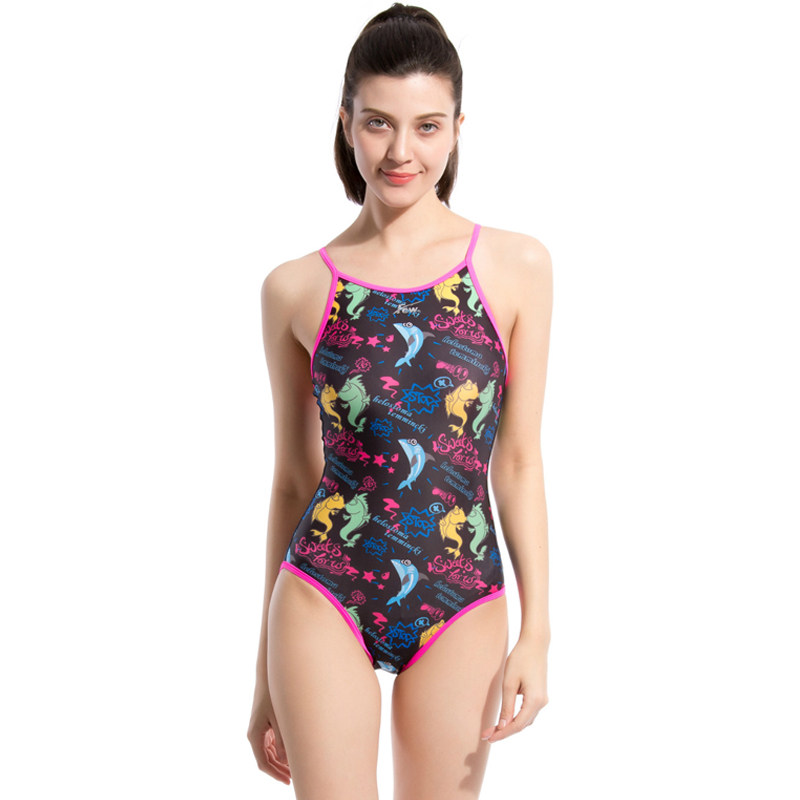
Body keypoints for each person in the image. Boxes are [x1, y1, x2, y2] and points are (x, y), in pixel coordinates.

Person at [247, 4, 552, 798]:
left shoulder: (516, 267)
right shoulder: (295, 288)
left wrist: (539, 631)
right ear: (346, 123)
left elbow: (519, 461)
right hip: (323, 590)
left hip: (462, 593)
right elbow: (292, 479)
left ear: (457, 130)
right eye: (378, 123)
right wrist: (262, 676)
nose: (401, 152)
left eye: (427, 126)